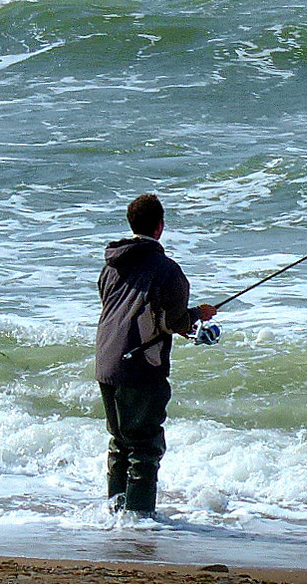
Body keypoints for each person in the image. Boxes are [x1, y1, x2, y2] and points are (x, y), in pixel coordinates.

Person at [94, 193, 217, 517]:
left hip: (107, 362)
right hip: (141, 366)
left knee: (120, 442)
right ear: (160, 227)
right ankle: (137, 520)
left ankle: (115, 514)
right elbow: (173, 321)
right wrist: (198, 314)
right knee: (145, 447)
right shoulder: (167, 270)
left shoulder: (111, 266)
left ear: (131, 224)